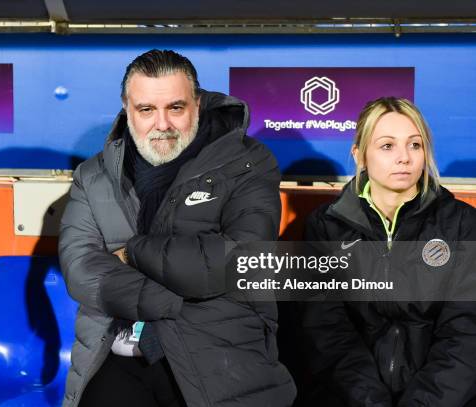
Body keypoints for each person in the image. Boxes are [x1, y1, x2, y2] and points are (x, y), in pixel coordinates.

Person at [59, 49, 295, 407]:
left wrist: (133, 252)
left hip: (217, 353)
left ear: (197, 105)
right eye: (146, 110)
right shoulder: (93, 176)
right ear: (127, 108)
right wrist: (171, 299)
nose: (163, 124)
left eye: (176, 108)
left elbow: (241, 259)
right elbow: (81, 269)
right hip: (117, 350)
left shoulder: (248, 163)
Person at [301, 97, 476, 406]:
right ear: (360, 155)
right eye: (387, 146)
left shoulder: (462, 223)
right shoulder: (325, 226)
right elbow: (327, 332)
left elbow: (466, 334)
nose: (404, 158)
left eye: (414, 145)